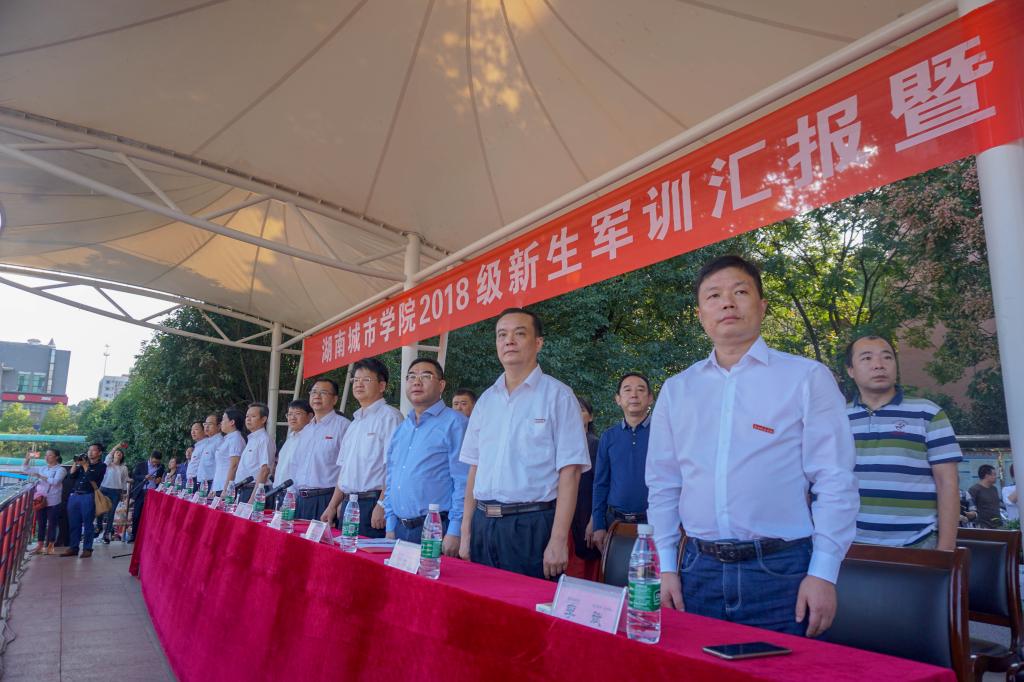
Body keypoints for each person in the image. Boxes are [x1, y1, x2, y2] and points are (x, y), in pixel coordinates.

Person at [646, 255, 859, 638]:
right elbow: (663, 483)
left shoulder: (806, 378)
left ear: (762, 306)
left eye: (740, 292)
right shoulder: (677, 390)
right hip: (696, 569)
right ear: (700, 314)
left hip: (783, 572)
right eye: (714, 295)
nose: (727, 303)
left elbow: (835, 479)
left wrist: (824, 572)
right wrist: (666, 567)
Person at [459, 308, 590, 580]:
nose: (509, 341)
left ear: (538, 343)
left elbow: (571, 472)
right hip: (483, 523)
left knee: (527, 604)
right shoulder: (486, 401)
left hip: (531, 526)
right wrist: (466, 531)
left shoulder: (559, 396)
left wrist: (558, 540)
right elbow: (474, 468)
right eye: (502, 335)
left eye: (519, 334)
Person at [844, 335, 963, 550]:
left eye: (887, 357)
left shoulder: (928, 413)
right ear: (850, 370)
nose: (879, 365)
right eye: (867, 358)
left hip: (918, 544)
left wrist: (945, 549)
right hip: (849, 546)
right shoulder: (838, 418)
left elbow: (948, 483)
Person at [381, 358, 468, 549]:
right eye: (411, 376)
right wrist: (390, 524)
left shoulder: (455, 423)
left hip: (436, 529)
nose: (417, 382)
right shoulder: (402, 428)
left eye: (426, 376)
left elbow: (464, 481)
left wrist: (455, 530)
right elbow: (392, 477)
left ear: (441, 385)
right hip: (399, 529)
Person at [322, 358, 402, 538]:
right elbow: (344, 471)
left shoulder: (390, 417)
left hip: (373, 504)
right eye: (356, 380)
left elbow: (395, 467)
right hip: (349, 504)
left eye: (366, 379)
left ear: (382, 386)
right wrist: (332, 505)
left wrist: (382, 504)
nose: (359, 384)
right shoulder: (354, 423)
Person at [590, 373, 655, 552]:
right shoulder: (608, 437)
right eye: (627, 390)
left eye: (640, 390)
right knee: (614, 570)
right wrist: (598, 525)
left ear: (650, 398)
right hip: (615, 524)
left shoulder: (662, 433)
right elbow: (600, 484)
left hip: (653, 524)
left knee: (650, 570)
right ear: (618, 399)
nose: (634, 395)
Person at [292, 378, 350, 520]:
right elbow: (297, 467)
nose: (317, 396)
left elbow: (348, 468)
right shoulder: (306, 430)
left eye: (323, 392)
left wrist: (335, 504)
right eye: (313, 392)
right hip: (301, 500)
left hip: (327, 499)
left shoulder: (344, 426)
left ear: (335, 399)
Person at [567, 397, 601, 581]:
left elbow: (600, 484)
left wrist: (594, 520)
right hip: (565, 515)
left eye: (581, 410)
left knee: (584, 571)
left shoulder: (595, 444)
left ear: (590, 417)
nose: (576, 414)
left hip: (586, 513)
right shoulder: (561, 443)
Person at [62, 445, 107, 558]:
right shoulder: (83, 465)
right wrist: (76, 462)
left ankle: (87, 548)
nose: (90, 452)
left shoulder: (102, 466)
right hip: (75, 495)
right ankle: (73, 547)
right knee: (74, 523)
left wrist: (85, 465)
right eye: (89, 450)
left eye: (93, 450)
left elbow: (92, 477)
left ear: (99, 453)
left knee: (88, 523)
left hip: (88, 495)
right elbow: (71, 475)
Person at [23, 449, 66, 555]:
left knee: (52, 524)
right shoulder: (43, 468)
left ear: (56, 457)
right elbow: (25, 469)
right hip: (40, 500)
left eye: (50, 455)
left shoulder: (61, 469)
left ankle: (51, 546)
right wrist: (27, 459)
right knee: (41, 523)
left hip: (53, 501)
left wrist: (41, 477)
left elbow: (55, 482)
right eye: (46, 455)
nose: (46, 457)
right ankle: (40, 546)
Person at [232, 403, 272, 503]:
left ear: (263, 419)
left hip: (254, 491)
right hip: (244, 489)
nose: (248, 419)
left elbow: (265, 470)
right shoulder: (252, 439)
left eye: (253, 416)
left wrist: (253, 498)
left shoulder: (264, 439)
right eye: (247, 416)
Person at [273, 400, 313, 492]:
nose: (292, 418)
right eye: (290, 414)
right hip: (280, 492)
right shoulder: (290, 438)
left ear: (310, 416)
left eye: (298, 413)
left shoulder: (311, 439)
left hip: (296, 494)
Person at [129, 451, 164, 541]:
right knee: (137, 514)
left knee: (149, 515)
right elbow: (134, 476)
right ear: (150, 457)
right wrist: (144, 477)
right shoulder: (141, 465)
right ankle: (134, 535)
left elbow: (160, 478)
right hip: (141, 492)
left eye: (157, 462)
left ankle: (146, 536)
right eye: (154, 462)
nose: (155, 464)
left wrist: (159, 480)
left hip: (153, 493)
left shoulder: (161, 467)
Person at [212, 409, 247, 495]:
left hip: (226, 487)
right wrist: (213, 488)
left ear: (232, 422)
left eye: (223, 419)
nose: (221, 422)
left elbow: (234, 465)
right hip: (218, 485)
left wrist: (226, 489)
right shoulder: (228, 438)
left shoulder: (236, 439)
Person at [99, 448, 129, 544]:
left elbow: (124, 481)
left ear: (122, 456)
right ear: (113, 454)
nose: (118, 453)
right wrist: (116, 447)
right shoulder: (108, 464)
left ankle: (106, 534)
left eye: (120, 453)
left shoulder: (124, 468)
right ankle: (99, 527)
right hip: (104, 489)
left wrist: (124, 493)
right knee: (100, 511)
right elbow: (108, 457)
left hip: (116, 491)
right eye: (117, 452)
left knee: (111, 513)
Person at [196, 413, 222, 491]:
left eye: (210, 424)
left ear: (219, 426)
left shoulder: (219, 442)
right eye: (205, 424)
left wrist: (214, 487)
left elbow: (220, 466)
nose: (206, 427)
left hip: (211, 484)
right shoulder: (207, 442)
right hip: (202, 483)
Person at [185, 420, 205, 485]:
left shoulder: (206, 445)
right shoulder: (197, 446)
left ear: (204, 431)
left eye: (196, 429)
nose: (193, 432)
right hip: (191, 480)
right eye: (192, 430)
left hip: (198, 480)